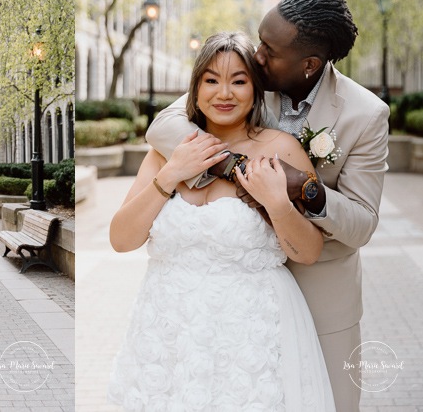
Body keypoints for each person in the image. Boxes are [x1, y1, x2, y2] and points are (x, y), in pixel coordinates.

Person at [146, 0, 390, 411]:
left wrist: (305, 190)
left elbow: (363, 222)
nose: (257, 55)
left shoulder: (365, 114)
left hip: (320, 292)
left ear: (309, 64)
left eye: (269, 49)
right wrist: (235, 164)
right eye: (260, 40)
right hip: (244, 290)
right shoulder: (252, 78)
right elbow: (165, 123)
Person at [108, 32, 335, 410]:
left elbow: (309, 251)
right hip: (168, 330)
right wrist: (169, 176)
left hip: (249, 334)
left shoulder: (280, 149)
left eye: (239, 81)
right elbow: (121, 240)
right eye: (211, 80)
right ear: (195, 89)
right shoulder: (168, 152)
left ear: (256, 89)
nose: (224, 93)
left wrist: (277, 203)